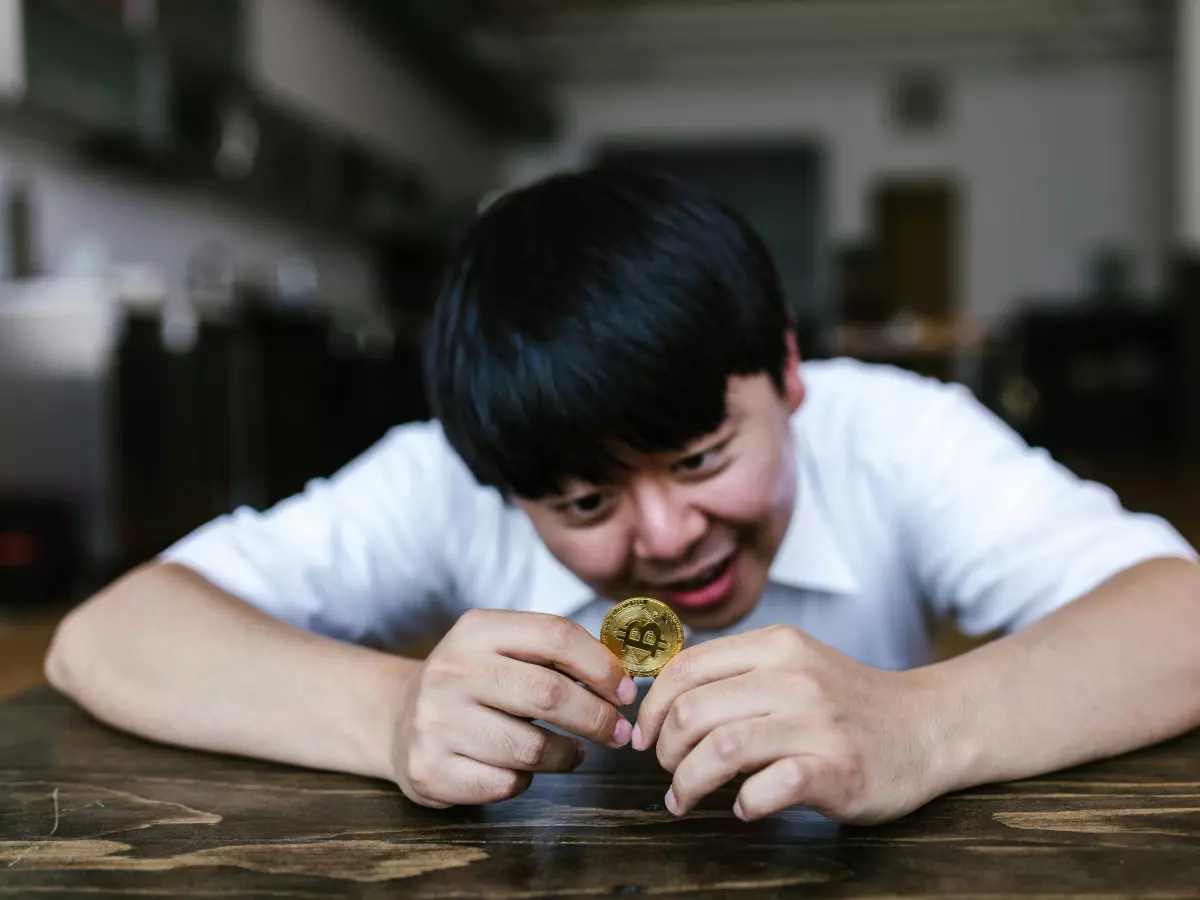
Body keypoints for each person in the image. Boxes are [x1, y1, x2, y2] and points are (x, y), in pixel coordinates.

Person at [45, 168, 1200, 825]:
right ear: (504, 483)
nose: (666, 536)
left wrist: (925, 726)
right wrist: (387, 716)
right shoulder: (451, 467)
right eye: (587, 507)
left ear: (788, 373)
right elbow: (110, 635)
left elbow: (1179, 615)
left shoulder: (899, 432)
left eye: (701, 459)